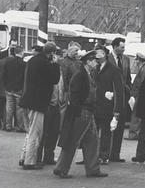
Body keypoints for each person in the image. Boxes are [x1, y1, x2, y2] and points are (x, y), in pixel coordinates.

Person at [54, 50, 108, 179]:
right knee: (73, 141)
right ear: (88, 62)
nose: (96, 62)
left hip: (87, 111)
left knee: (92, 140)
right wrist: (78, 110)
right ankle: (61, 168)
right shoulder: (80, 75)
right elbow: (75, 95)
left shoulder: (87, 74)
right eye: (94, 60)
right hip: (81, 111)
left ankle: (93, 169)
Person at [18, 42, 61, 170]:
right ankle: (30, 162)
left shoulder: (32, 60)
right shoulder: (46, 63)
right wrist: (56, 64)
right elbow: (55, 79)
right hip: (38, 103)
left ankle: (23, 157)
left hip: (27, 101)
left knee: (29, 131)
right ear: (52, 53)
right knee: (35, 133)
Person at [93, 44, 125, 164]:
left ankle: (104, 155)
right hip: (95, 105)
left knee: (106, 131)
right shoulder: (94, 68)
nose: (97, 55)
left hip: (107, 105)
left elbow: (119, 89)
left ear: (105, 54)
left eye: (99, 52)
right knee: (93, 132)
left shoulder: (113, 69)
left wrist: (117, 109)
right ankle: (92, 155)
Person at [108, 37, 131, 162]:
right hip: (110, 96)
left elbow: (127, 78)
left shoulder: (126, 59)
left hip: (122, 97)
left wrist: (128, 89)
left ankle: (115, 154)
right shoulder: (107, 59)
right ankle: (106, 153)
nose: (124, 49)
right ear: (115, 46)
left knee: (120, 126)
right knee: (109, 126)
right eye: (122, 47)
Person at [41, 47, 64, 165]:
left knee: (54, 132)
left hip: (57, 104)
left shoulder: (59, 70)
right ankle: (40, 156)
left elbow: (61, 87)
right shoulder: (49, 68)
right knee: (45, 132)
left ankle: (49, 156)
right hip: (49, 104)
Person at [2, 43, 27, 132]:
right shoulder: (24, 64)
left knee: (9, 107)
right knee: (19, 109)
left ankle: (8, 125)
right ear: (22, 52)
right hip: (19, 89)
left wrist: (6, 86)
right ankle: (20, 127)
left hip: (8, 88)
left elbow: (4, 75)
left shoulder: (8, 62)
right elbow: (25, 77)